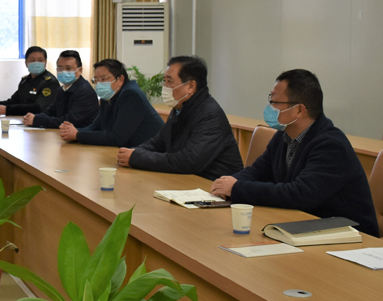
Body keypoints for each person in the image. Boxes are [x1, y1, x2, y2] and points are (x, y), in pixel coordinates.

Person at [211, 69, 379, 237]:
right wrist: (229, 184)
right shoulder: (283, 135)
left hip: (349, 235)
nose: (270, 107)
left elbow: (300, 195)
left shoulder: (331, 146)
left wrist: (237, 188)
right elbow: (258, 172)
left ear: (299, 110)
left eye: (275, 102)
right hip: (305, 227)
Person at [116, 55, 243, 180]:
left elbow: (189, 161)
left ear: (191, 86)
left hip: (214, 185)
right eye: (165, 81)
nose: (165, 87)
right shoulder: (179, 108)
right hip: (188, 180)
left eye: (170, 82)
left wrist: (137, 158)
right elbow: (158, 144)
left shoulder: (210, 115)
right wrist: (133, 152)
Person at [60, 59, 164, 147]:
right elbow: (96, 126)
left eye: (104, 79)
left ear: (120, 79)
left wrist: (77, 135)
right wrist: (73, 131)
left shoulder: (131, 95)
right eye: (96, 80)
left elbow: (116, 138)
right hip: (130, 151)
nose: (99, 83)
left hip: (151, 152)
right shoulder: (109, 95)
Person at [0, 46, 60, 116]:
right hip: (23, 121)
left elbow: (39, 108)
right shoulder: (25, 81)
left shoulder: (50, 82)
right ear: (26, 63)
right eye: (32, 60)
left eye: (40, 60)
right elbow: (12, 102)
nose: (36, 63)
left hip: (41, 124)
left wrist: (7, 110)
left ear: (45, 63)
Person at [23, 50, 98, 129]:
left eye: (68, 68)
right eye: (60, 68)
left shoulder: (85, 91)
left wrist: (36, 120)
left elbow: (70, 121)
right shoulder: (62, 89)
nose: (63, 71)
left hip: (81, 135)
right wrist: (32, 117)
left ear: (80, 70)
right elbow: (50, 111)